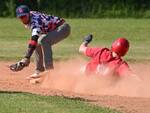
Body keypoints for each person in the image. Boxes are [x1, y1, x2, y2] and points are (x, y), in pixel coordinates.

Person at [9, 5, 71, 79]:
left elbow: (34, 39)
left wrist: (26, 58)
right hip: (55, 29)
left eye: (24, 16)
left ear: (28, 14)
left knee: (43, 41)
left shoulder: (35, 22)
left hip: (63, 28)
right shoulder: (30, 14)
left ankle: (49, 70)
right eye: (20, 17)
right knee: (38, 43)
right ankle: (39, 71)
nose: (23, 19)